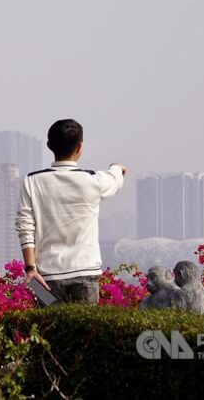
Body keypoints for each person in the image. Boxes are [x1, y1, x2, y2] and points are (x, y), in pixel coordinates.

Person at [15, 119, 127, 304]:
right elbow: (116, 177)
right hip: (86, 276)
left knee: (47, 330)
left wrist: (30, 268)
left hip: (45, 278)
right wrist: (118, 167)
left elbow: (24, 226)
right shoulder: (93, 181)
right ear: (79, 147)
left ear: (49, 145)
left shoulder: (32, 181)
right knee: (83, 332)